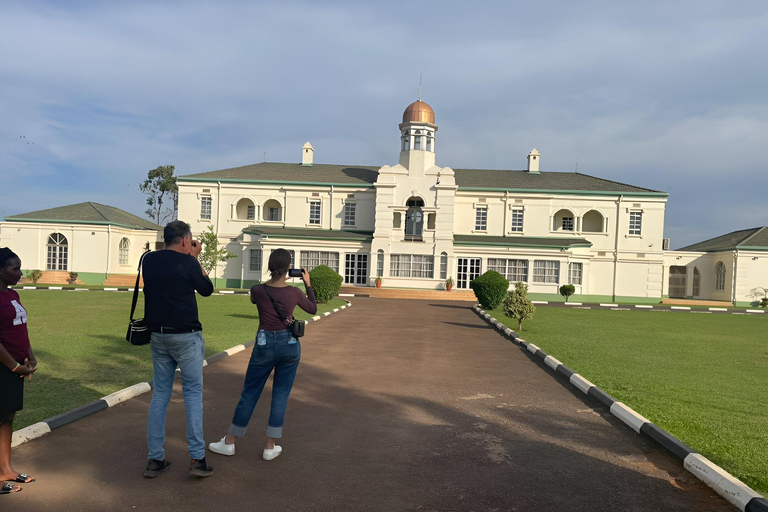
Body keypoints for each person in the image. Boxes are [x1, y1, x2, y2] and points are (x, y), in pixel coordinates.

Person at [208, 248, 316, 461]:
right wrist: (308, 283)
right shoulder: (294, 292)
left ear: (269, 266)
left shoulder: (257, 290)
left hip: (265, 343)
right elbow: (312, 308)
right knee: (280, 395)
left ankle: (230, 441)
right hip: (289, 345)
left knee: (250, 392)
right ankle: (270, 445)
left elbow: (256, 301)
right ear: (288, 268)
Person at [142, 221, 214, 478]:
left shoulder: (149, 260)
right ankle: (197, 457)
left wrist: (189, 258)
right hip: (186, 336)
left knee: (160, 394)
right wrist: (195, 258)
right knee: (193, 393)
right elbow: (207, 290)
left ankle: (155, 458)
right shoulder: (188, 262)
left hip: (158, 336)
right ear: (185, 240)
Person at [0, 248, 37, 495]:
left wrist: (29, 357)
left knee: (7, 417)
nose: (20, 273)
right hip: (4, 365)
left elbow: (19, 328)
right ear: (0, 271)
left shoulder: (12, 295)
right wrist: (13, 365)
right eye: (15, 268)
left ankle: (5, 470)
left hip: (16, 364)